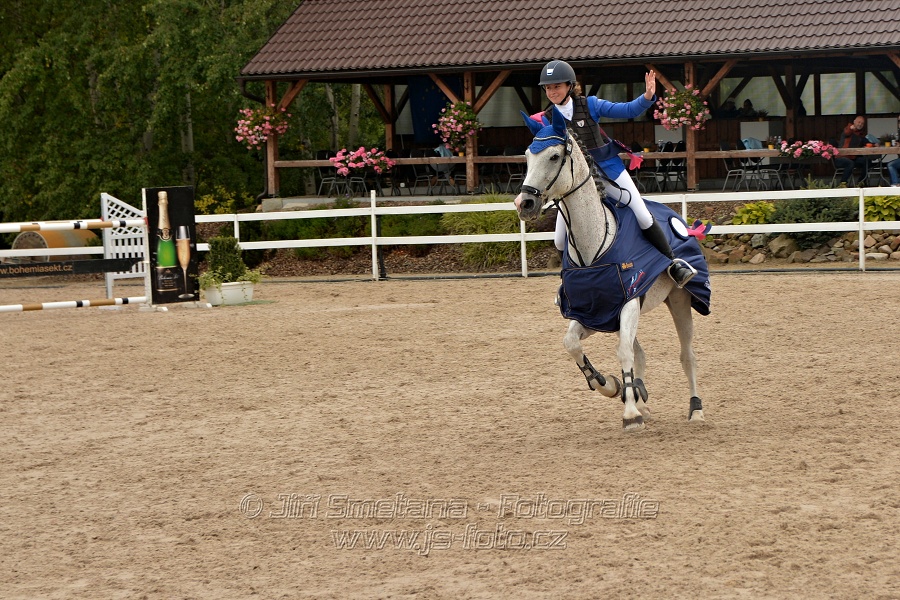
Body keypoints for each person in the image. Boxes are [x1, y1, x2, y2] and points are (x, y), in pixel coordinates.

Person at [532, 59, 696, 287]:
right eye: (548, 88)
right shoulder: (546, 119)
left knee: (640, 212)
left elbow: (627, 109)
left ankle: (673, 263)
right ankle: (569, 280)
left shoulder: (590, 104)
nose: (552, 91)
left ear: (569, 86)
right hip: (575, 182)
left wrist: (647, 97)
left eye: (556, 86)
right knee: (560, 238)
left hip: (607, 171)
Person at [833, 115, 870, 184]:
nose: (860, 124)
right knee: (850, 163)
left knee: (867, 161)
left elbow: (867, 142)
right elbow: (846, 133)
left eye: (862, 123)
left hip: (852, 157)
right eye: (859, 122)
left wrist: (874, 144)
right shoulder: (848, 128)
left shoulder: (860, 134)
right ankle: (843, 183)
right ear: (854, 122)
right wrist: (851, 128)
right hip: (840, 158)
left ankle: (861, 181)